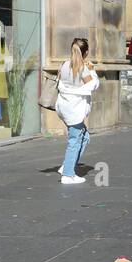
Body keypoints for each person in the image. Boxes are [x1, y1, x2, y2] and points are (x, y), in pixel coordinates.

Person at [57, 38, 97, 184]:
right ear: (85, 52)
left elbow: (60, 82)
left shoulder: (63, 65)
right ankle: (68, 174)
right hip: (74, 110)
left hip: (63, 107)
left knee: (84, 137)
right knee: (74, 140)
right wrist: (93, 71)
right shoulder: (83, 69)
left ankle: (67, 165)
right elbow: (93, 85)